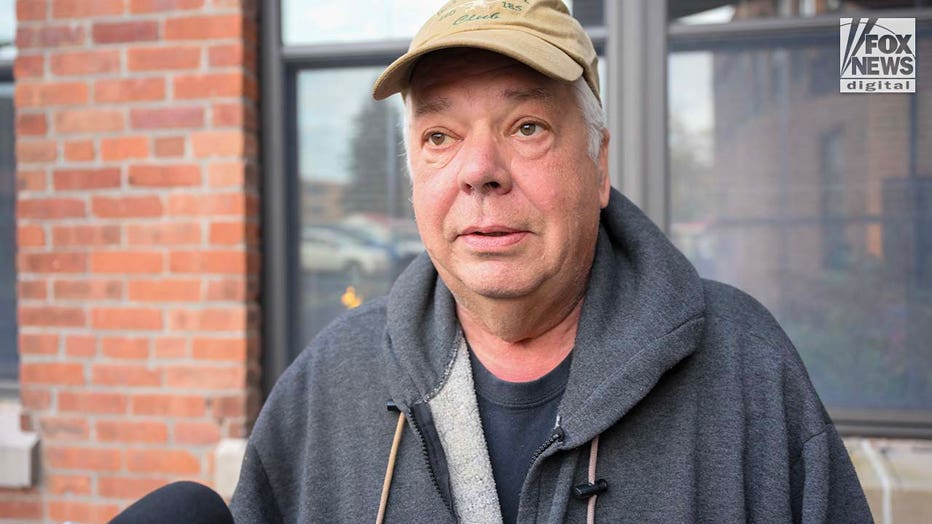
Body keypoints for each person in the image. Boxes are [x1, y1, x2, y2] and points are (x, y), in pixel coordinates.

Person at [231, 1, 872, 522]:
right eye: (439, 137)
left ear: (600, 165)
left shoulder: (745, 370)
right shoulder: (326, 387)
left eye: (527, 126)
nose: (479, 171)